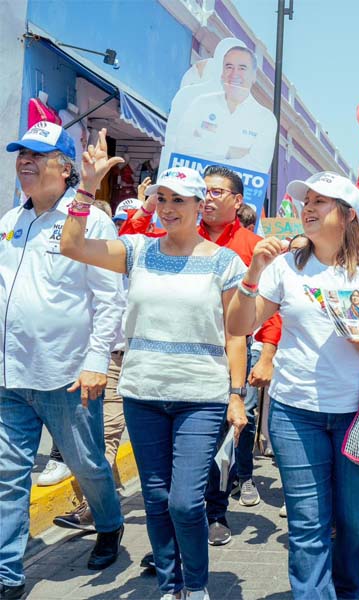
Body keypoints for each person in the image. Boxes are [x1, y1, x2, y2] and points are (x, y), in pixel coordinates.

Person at [61, 162, 249, 600]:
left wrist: (236, 394)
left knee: (186, 501)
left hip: (200, 397)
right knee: (157, 499)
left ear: (200, 206)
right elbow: (72, 245)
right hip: (143, 393)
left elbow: (234, 333)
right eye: (161, 198)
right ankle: (171, 585)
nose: (167, 208)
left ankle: (197, 585)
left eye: (178, 200)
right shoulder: (136, 250)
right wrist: (87, 188)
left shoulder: (224, 262)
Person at [227, 171, 359, 599]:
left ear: (348, 216)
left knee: (358, 522)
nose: (307, 208)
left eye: (320, 201)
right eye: (305, 200)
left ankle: (347, 591)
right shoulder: (285, 268)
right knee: (308, 523)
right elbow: (238, 325)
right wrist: (253, 273)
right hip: (296, 413)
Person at [124, 164, 281, 547]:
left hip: (221, 367)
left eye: (215, 192)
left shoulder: (245, 246)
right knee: (168, 486)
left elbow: (262, 312)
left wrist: (259, 364)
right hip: (155, 379)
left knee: (213, 458)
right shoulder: (159, 239)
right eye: (204, 191)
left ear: (236, 200)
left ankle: (215, 514)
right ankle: (171, 550)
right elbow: (126, 242)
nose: (208, 199)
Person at [0, 123, 125, 600]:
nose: (25, 162)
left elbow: (109, 300)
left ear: (66, 167)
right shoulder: (12, 219)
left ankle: (109, 522)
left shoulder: (90, 222)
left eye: (38, 154)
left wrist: (96, 360)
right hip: (11, 375)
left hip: (67, 376)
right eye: (21, 154)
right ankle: (9, 574)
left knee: (87, 463)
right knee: (8, 475)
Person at [173, 46, 277, 172]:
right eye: (229, 67)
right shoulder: (201, 103)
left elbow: (257, 167)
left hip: (233, 191)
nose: (234, 74)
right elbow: (182, 146)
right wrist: (228, 151)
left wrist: (203, 145)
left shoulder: (265, 119)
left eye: (242, 68)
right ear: (222, 73)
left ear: (253, 76)